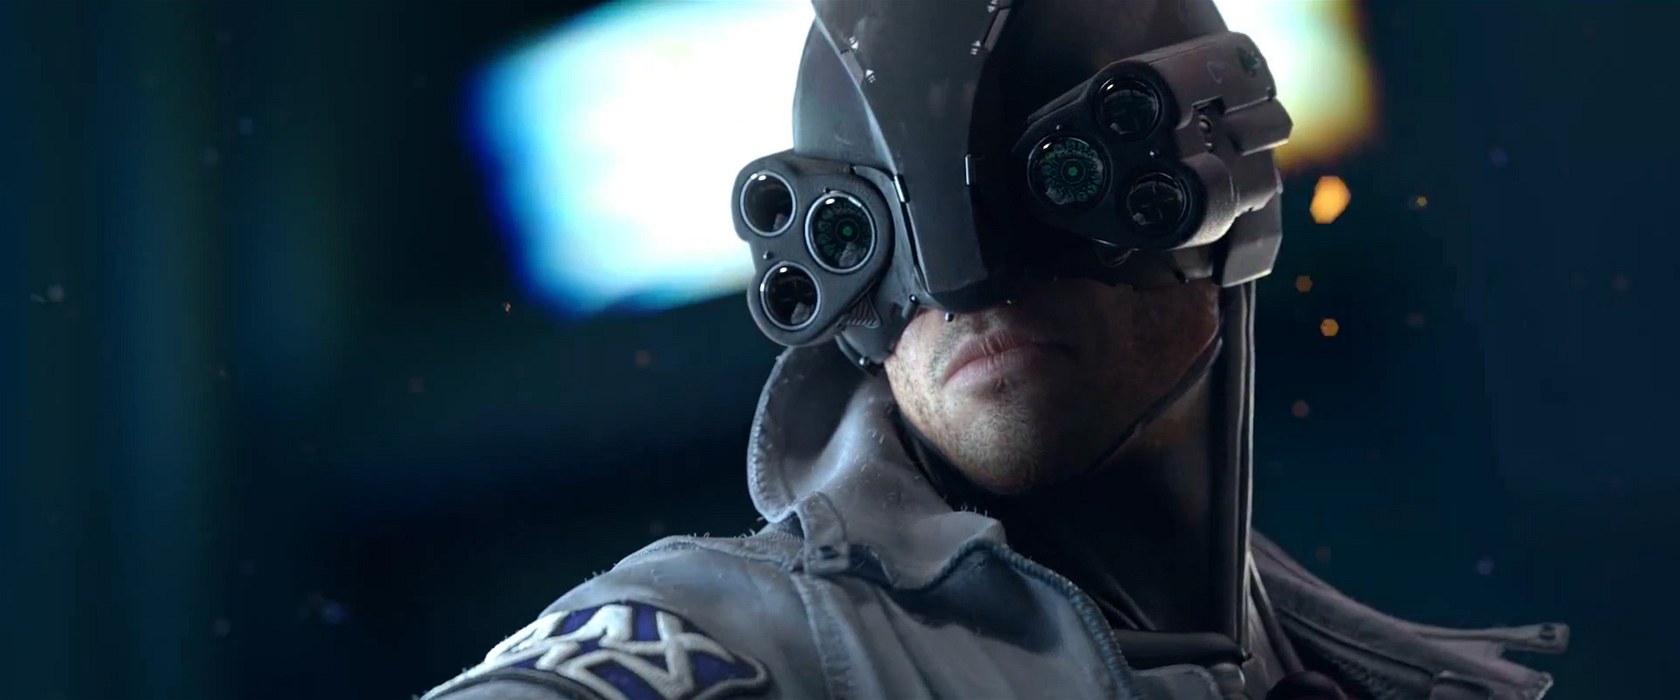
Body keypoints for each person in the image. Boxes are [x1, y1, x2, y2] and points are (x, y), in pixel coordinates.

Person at [419, 1, 1568, 698]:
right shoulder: (738, 633)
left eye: (1059, 178)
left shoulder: (1365, 671)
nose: (966, 284)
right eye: (879, 230)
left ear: (1210, 194)